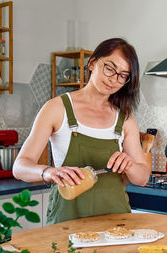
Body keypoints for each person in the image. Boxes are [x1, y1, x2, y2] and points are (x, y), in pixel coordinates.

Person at [13, 38, 150, 225]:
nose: (113, 79)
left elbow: (142, 178)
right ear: (92, 63)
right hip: (67, 221)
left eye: (122, 75)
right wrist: (48, 172)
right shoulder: (56, 108)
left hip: (116, 223)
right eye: (109, 68)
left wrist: (130, 165)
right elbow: (20, 166)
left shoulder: (124, 118)